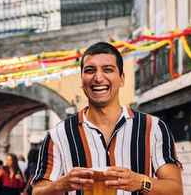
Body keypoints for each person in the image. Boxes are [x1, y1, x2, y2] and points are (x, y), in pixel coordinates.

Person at [31, 42, 183, 195]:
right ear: (82, 80)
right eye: (90, 70)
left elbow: (175, 190)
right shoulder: (58, 135)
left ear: (122, 78)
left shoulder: (153, 128)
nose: (98, 77)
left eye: (108, 70)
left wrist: (141, 182)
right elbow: (37, 192)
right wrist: (61, 184)